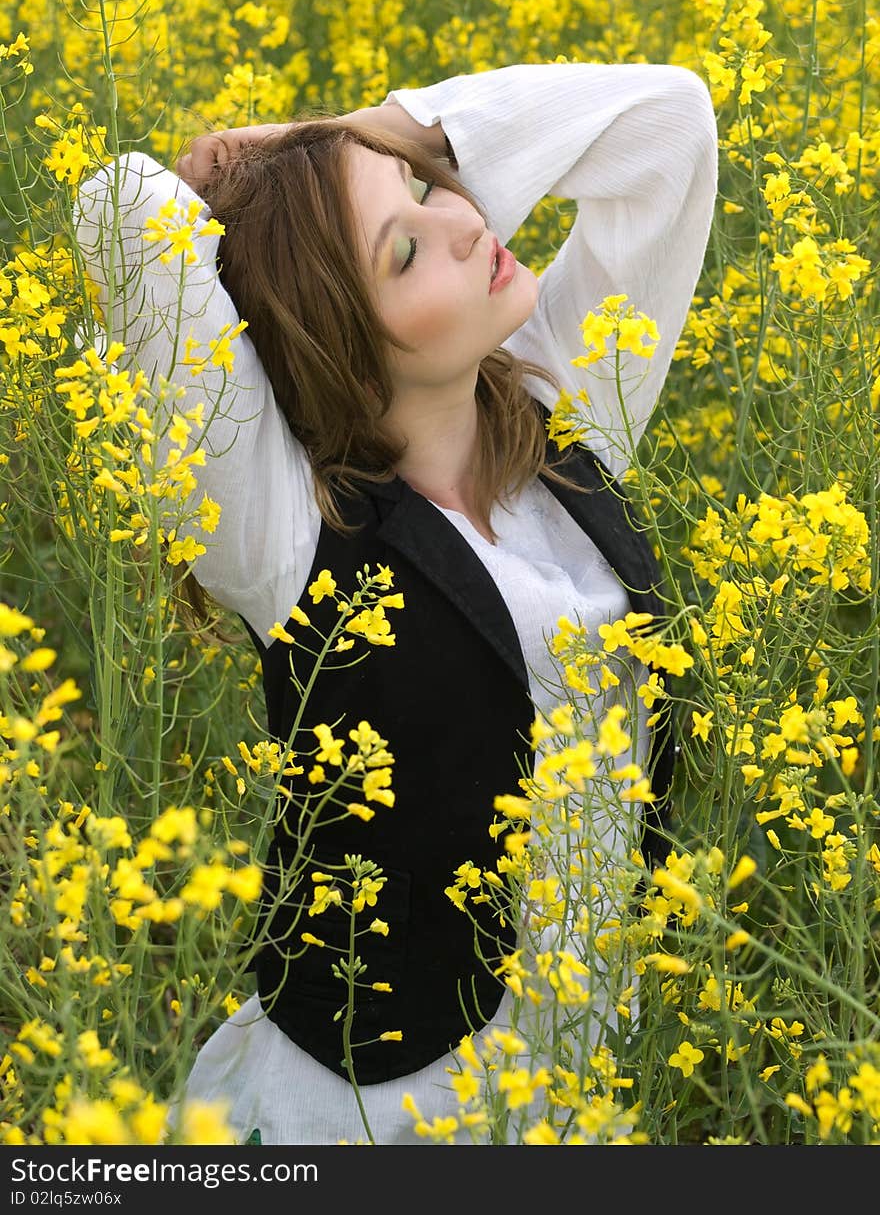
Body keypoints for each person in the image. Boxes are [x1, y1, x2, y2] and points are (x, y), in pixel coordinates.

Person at [75, 59, 718, 1145]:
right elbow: (122, 212)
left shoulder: (563, 410)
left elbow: (669, 124)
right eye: (404, 250)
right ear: (337, 336)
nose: (466, 225)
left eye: (431, 191)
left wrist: (360, 136)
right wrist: (277, 182)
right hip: (377, 1110)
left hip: (580, 1064)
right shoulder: (280, 534)